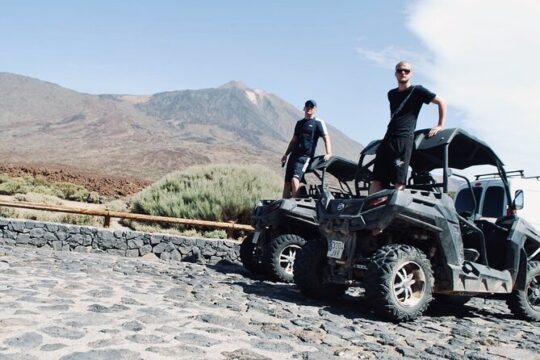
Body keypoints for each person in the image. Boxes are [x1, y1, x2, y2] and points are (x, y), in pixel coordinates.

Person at [369, 60, 447, 194]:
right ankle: (369, 211)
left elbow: (441, 102)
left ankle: (394, 213)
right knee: (377, 179)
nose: (403, 73)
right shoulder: (391, 94)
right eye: (400, 70)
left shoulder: (418, 91)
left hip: (403, 139)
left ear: (411, 74)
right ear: (395, 74)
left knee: (399, 181)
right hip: (388, 138)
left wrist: (440, 125)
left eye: (406, 70)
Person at [281, 99, 332, 198]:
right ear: (304, 108)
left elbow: (326, 137)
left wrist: (328, 153)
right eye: (307, 106)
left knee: (295, 180)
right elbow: (294, 140)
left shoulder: (317, 123)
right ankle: (283, 205)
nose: (309, 108)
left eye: (311, 107)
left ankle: (295, 204)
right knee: (287, 183)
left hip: (305, 157)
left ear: (315, 109)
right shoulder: (299, 123)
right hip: (293, 156)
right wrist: (286, 154)